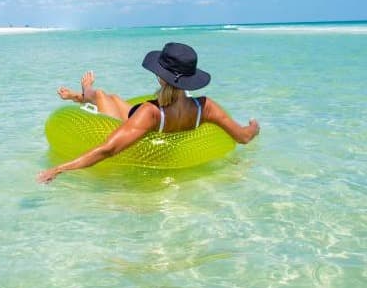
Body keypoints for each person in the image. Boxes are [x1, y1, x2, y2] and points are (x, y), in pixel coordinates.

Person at [37, 42, 260, 183]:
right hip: (151, 120)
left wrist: (58, 169)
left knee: (104, 96)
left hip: (133, 125)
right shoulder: (206, 106)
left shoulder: (150, 113)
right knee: (114, 98)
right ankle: (81, 94)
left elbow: (108, 149)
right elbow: (243, 137)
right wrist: (254, 127)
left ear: (161, 76)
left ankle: (85, 90)